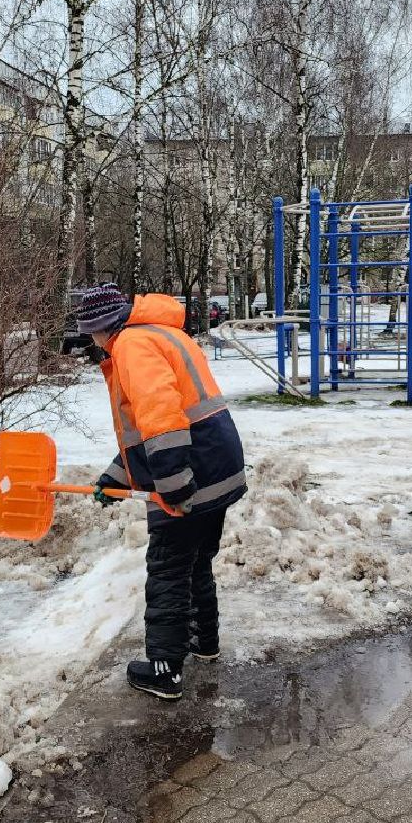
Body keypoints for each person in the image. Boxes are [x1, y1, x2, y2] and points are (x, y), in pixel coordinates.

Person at [78, 283, 246, 701]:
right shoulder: (160, 332)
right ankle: (204, 643)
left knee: (169, 567)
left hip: (190, 468)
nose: (90, 340)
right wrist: (114, 477)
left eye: (90, 331)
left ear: (104, 326)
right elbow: (145, 428)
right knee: (195, 562)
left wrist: (173, 487)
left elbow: (162, 419)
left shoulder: (132, 345)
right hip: (213, 461)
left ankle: (164, 669)